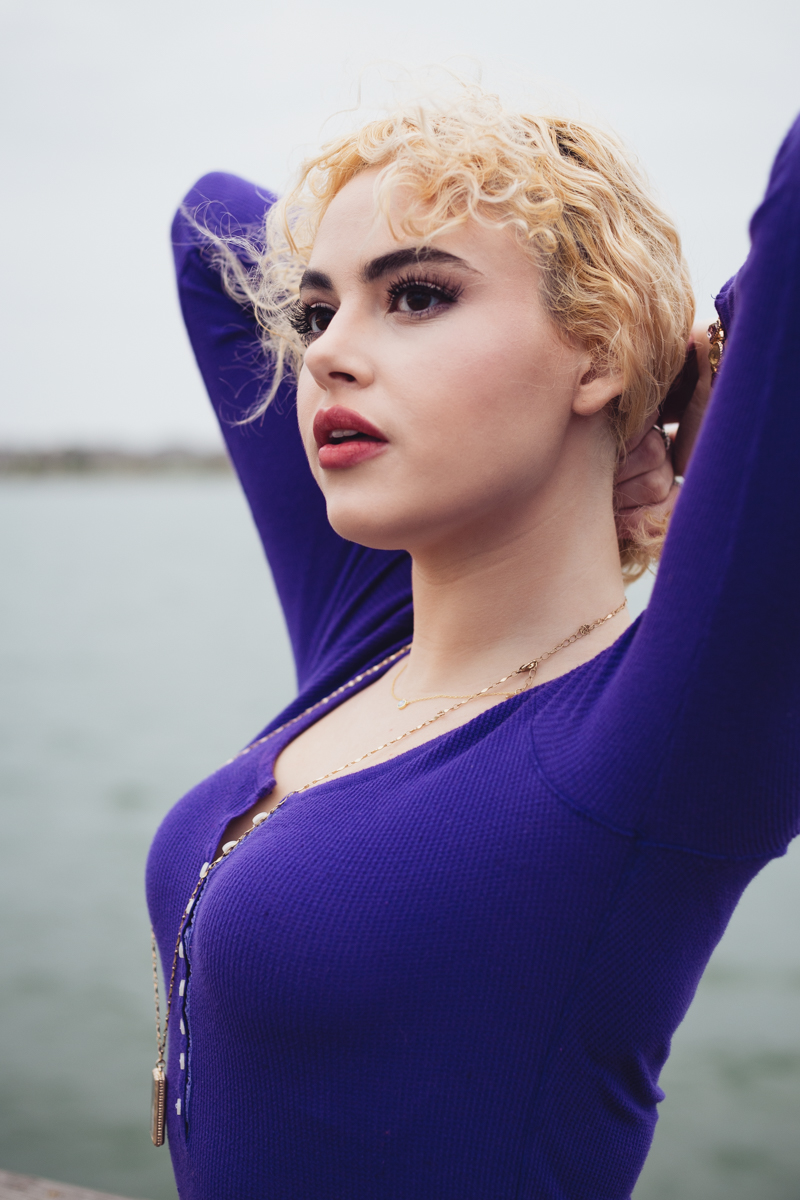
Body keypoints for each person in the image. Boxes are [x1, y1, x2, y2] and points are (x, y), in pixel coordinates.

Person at [147, 88, 800, 1199]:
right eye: (316, 312)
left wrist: (698, 355)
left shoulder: (661, 740)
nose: (324, 356)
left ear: (593, 351)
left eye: (415, 294)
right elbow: (207, 230)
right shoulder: (370, 645)